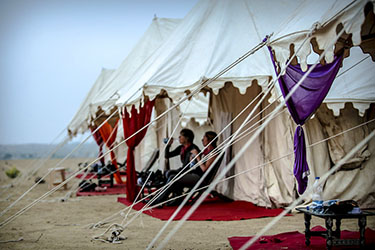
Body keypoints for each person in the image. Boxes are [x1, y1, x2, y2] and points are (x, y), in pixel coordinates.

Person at [151, 131, 218, 207]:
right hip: (195, 174)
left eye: (204, 138)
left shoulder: (213, 153)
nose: (202, 140)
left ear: (209, 140)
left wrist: (197, 157)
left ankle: (159, 200)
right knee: (172, 175)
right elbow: (196, 165)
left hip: (200, 178)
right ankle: (169, 199)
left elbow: (204, 169)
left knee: (173, 177)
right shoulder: (206, 151)